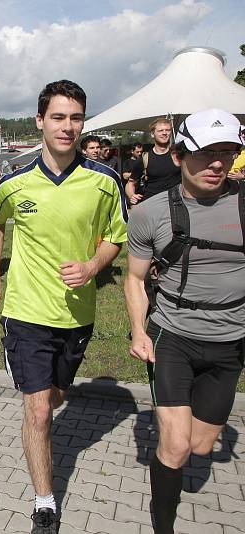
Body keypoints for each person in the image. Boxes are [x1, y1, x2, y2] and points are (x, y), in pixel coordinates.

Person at [0, 80, 127, 534]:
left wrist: (92, 264)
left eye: (76, 117)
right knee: (39, 409)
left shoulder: (104, 181)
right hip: (25, 311)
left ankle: (40, 412)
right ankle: (45, 503)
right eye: (59, 117)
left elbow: (115, 238)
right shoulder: (13, 182)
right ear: (40, 121)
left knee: (56, 397)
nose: (68, 126)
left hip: (77, 315)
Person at [124, 109, 244, 534]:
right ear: (178, 156)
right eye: (206, 153)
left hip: (231, 342)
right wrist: (139, 331)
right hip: (173, 336)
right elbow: (135, 279)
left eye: (227, 153)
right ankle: (164, 527)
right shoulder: (150, 214)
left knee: (200, 445)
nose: (217, 163)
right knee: (174, 446)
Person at [126, 118, 181, 205]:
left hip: (177, 203)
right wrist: (132, 195)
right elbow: (131, 183)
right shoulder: (144, 159)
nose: (164, 133)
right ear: (152, 134)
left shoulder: (180, 155)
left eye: (167, 130)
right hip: (152, 205)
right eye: (160, 130)